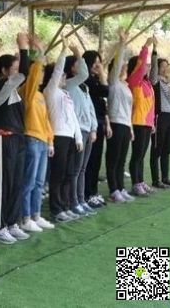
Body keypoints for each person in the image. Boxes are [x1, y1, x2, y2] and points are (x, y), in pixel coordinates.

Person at [0, 33, 31, 241]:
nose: (17, 73)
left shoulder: (14, 91)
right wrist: (23, 48)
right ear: (3, 71)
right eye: (13, 69)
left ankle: (12, 222)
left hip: (18, 138)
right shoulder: (0, 86)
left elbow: (24, 72)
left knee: (16, 182)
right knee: (3, 184)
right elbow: (24, 72)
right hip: (3, 138)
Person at [44, 39, 83, 223]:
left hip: (69, 137)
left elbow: (73, 117)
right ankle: (56, 209)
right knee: (57, 174)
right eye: (61, 76)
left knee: (68, 173)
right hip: (58, 136)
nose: (64, 78)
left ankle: (65, 205)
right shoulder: (50, 91)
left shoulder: (65, 94)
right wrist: (63, 51)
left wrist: (78, 138)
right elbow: (57, 71)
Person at [20, 35, 55, 232]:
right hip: (31, 138)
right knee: (29, 181)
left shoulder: (40, 95)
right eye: (40, 71)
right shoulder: (28, 91)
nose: (41, 74)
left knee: (39, 182)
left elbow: (46, 120)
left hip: (42, 140)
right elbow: (33, 75)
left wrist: (50, 140)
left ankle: (36, 215)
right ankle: (25, 218)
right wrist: (39, 52)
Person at [65, 47, 98, 217]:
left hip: (87, 130)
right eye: (78, 63)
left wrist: (94, 128)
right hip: (77, 132)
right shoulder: (69, 84)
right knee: (75, 169)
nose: (82, 66)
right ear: (72, 68)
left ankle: (81, 199)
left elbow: (91, 109)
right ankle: (73, 202)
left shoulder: (85, 87)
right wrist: (79, 54)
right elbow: (85, 73)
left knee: (83, 168)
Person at [126, 36, 158, 198]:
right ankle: (136, 184)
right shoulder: (134, 81)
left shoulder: (147, 83)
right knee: (137, 154)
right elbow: (140, 64)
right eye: (145, 65)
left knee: (142, 155)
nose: (147, 67)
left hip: (146, 123)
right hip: (137, 122)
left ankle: (141, 181)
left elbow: (151, 106)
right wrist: (146, 47)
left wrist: (152, 123)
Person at [106, 30, 133, 203]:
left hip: (125, 124)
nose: (124, 68)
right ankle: (113, 189)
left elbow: (129, 109)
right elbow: (116, 64)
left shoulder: (126, 86)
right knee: (113, 158)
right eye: (122, 66)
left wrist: (130, 128)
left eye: (125, 66)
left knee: (122, 159)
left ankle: (121, 187)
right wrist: (122, 44)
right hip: (115, 122)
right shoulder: (114, 82)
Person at [83, 50, 110, 209]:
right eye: (94, 63)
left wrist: (106, 122)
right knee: (90, 161)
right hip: (89, 125)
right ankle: (87, 194)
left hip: (99, 123)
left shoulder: (94, 79)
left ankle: (93, 192)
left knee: (96, 161)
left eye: (99, 63)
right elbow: (106, 91)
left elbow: (103, 101)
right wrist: (102, 74)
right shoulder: (87, 80)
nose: (97, 66)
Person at [150, 53, 170, 189]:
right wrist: (154, 51)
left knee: (167, 149)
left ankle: (165, 177)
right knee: (157, 148)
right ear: (157, 68)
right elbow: (153, 70)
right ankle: (156, 180)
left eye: (167, 66)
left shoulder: (168, 83)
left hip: (169, 116)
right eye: (162, 66)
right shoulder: (155, 81)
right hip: (159, 117)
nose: (166, 69)